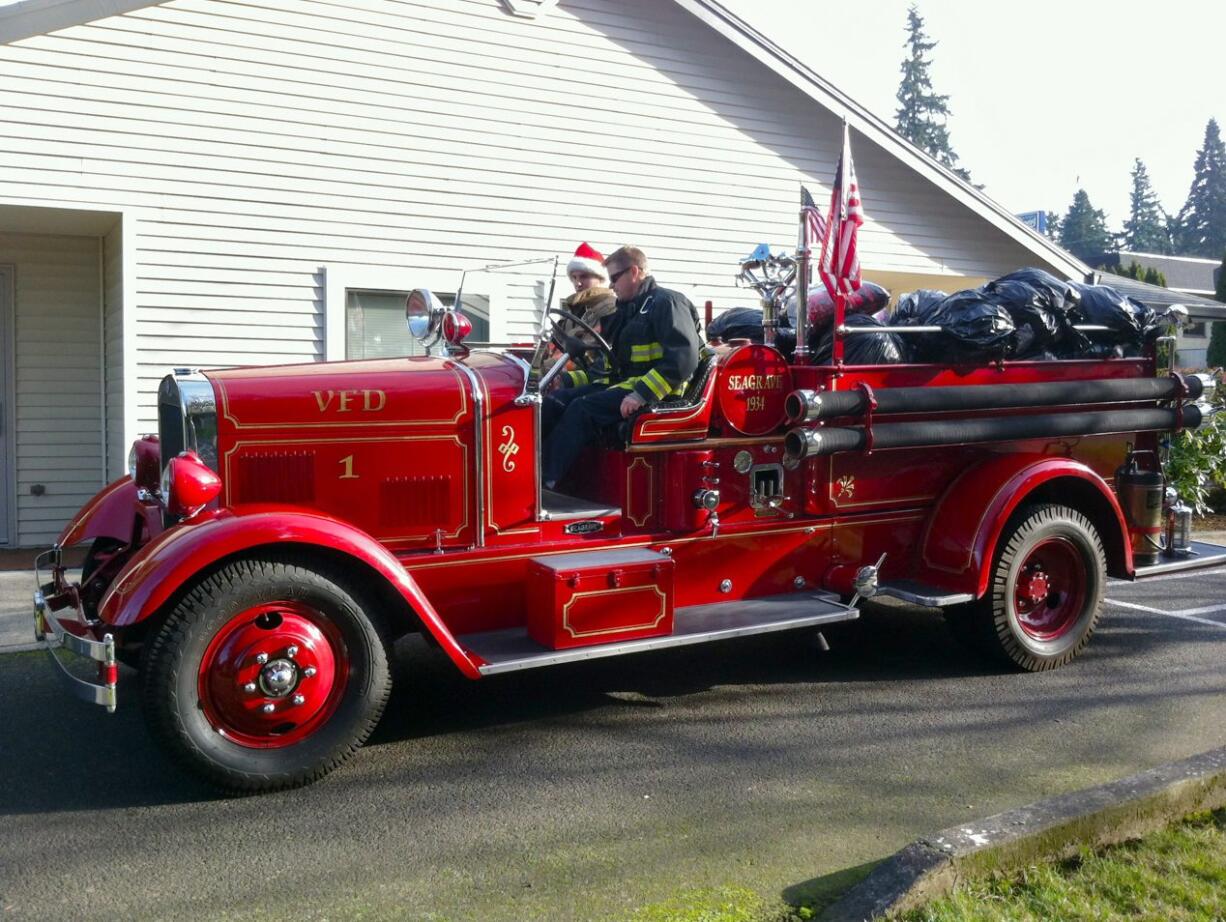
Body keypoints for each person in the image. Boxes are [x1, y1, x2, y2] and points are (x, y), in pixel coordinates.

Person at [542, 245, 703, 490]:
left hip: (659, 393)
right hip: (626, 387)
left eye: (615, 278)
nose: (611, 286)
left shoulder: (667, 302)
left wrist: (641, 394)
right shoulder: (625, 312)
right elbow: (606, 369)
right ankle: (527, 474)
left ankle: (544, 482)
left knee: (582, 409)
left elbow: (683, 360)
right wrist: (566, 381)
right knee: (555, 401)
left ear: (635, 272)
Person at [547, 242, 618, 388]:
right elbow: (554, 344)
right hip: (558, 376)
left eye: (584, 277)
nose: (577, 283)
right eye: (574, 277)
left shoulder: (609, 309)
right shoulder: (572, 312)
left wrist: (548, 371)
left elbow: (588, 351)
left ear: (600, 278)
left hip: (592, 380)